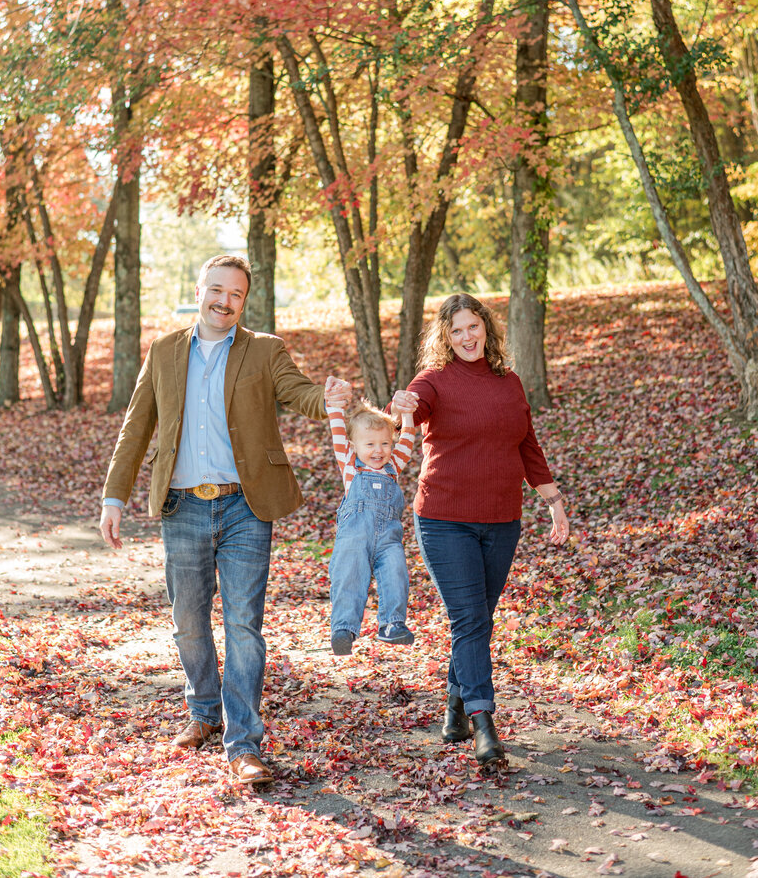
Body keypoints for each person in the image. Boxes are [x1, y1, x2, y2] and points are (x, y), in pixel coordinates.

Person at [99, 254, 351, 787]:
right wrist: (114, 497)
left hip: (245, 506)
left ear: (243, 301)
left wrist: (327, 399)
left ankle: (243, 743)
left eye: (235, 295)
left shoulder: (264, 350)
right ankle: (205, 712)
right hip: (183, 506)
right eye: (217, 290)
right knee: (189, 623)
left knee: (242, 625)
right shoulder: (165, 350)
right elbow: (136, 425)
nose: (224, 301)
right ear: (199, 290)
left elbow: (299, 391)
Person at [390, 293, 569, 767]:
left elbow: (527, 445)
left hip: (503, 520)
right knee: (469, 620)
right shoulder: (431, 382)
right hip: (445, 519)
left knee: (478, 620)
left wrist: (553, 503)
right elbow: (414, 410)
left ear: (486, 329)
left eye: (473, 327)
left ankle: (454, 703)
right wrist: (404, 406)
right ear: (445, 338)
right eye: (457, 331)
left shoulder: (509, 383)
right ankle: (483, 723)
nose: (467, 337)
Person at [326, 397, 417, 655]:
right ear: (354, 445)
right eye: (370, 444)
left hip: (389, 538)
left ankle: (391, 624)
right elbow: (336, 430)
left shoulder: (392, 467)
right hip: (354, 537)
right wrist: (335, 404)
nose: (378, 451)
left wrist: (408, 416)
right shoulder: (349, 464)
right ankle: (343, 628)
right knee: (349, 576)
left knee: (397, 574)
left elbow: (408, 442)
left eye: (385, 443)